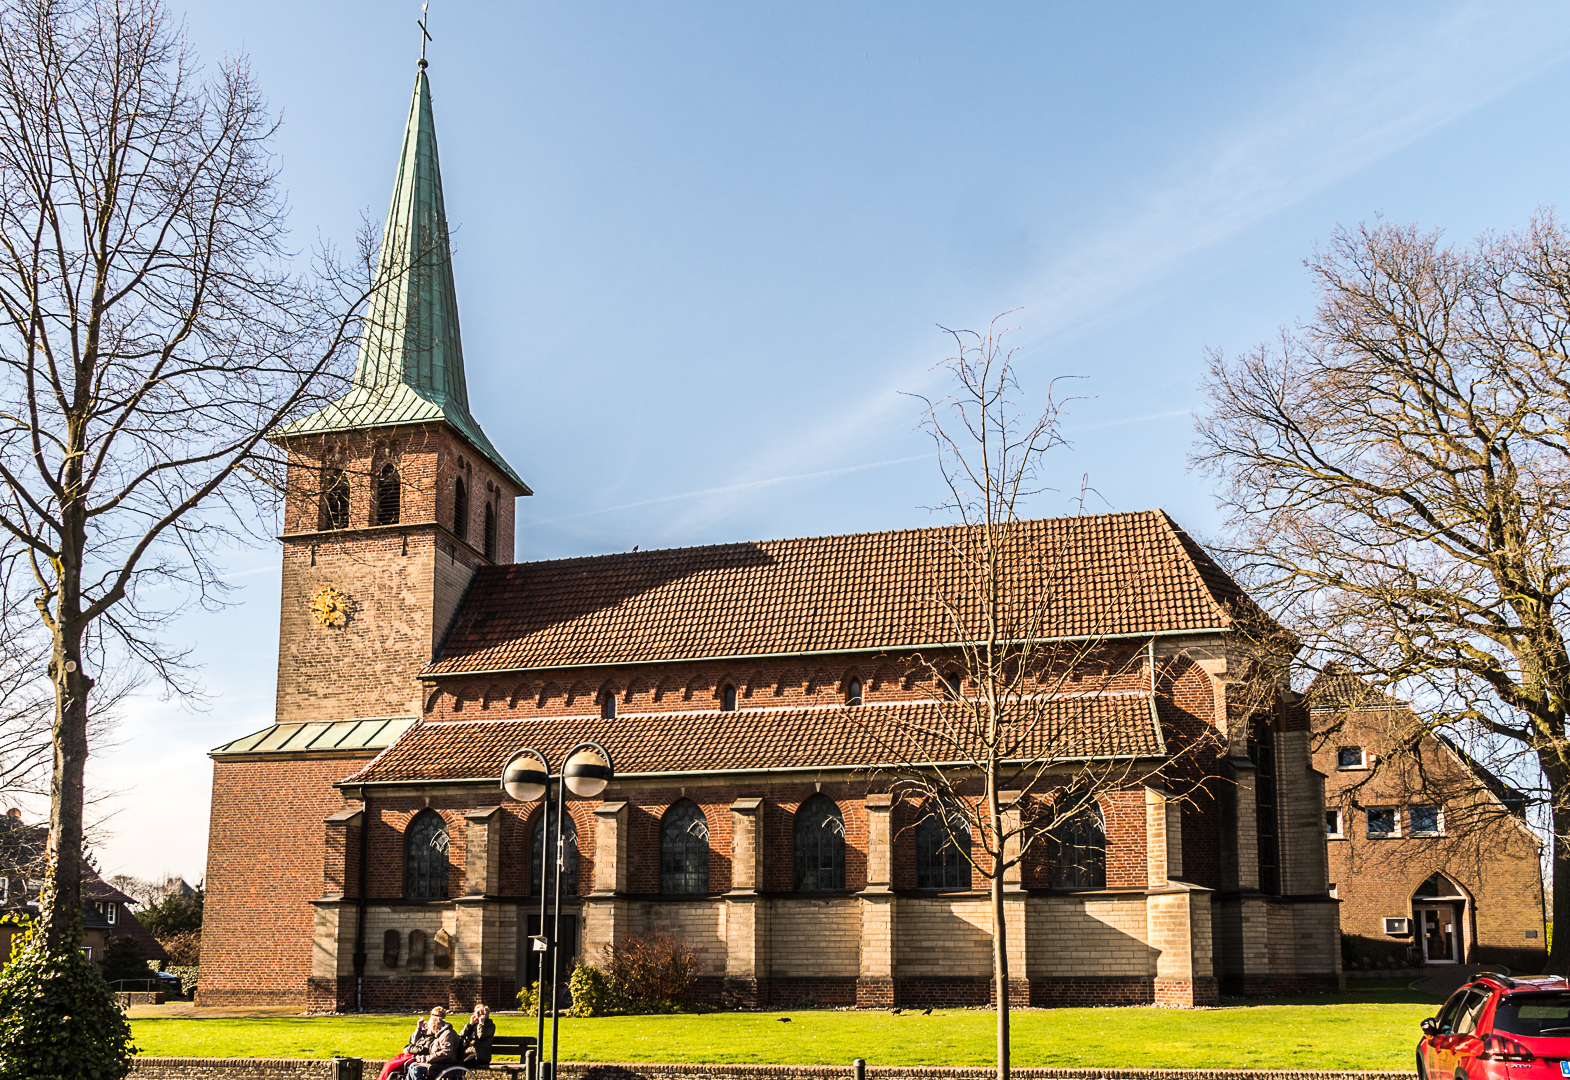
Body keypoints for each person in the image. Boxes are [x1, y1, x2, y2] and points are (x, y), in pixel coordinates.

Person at [379, 1006, 461, 1080]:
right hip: (427, 1057)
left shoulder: (443, 1034)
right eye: (432, 1014)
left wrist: (421, 1056)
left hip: (436, 1061)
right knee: (395, 1064)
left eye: (436, 1015)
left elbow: (439, 1052)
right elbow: (414, 1041)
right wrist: (419, 1028)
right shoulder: (435, 1030)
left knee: (405, 1067)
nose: (433, 1017)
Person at [459, 1003, 496, 1068]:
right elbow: (461, 1036)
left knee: (463, 1064)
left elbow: (481, 1036)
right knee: (453, 1063)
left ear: (486, 1015)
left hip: (480, 1056)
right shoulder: (472, 1025)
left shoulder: (490, 1026)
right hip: (467, 1053)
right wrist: (469, 1025)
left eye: (481, 1012)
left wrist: (481, 1023)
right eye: (477, 1012)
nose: (478, 1014)